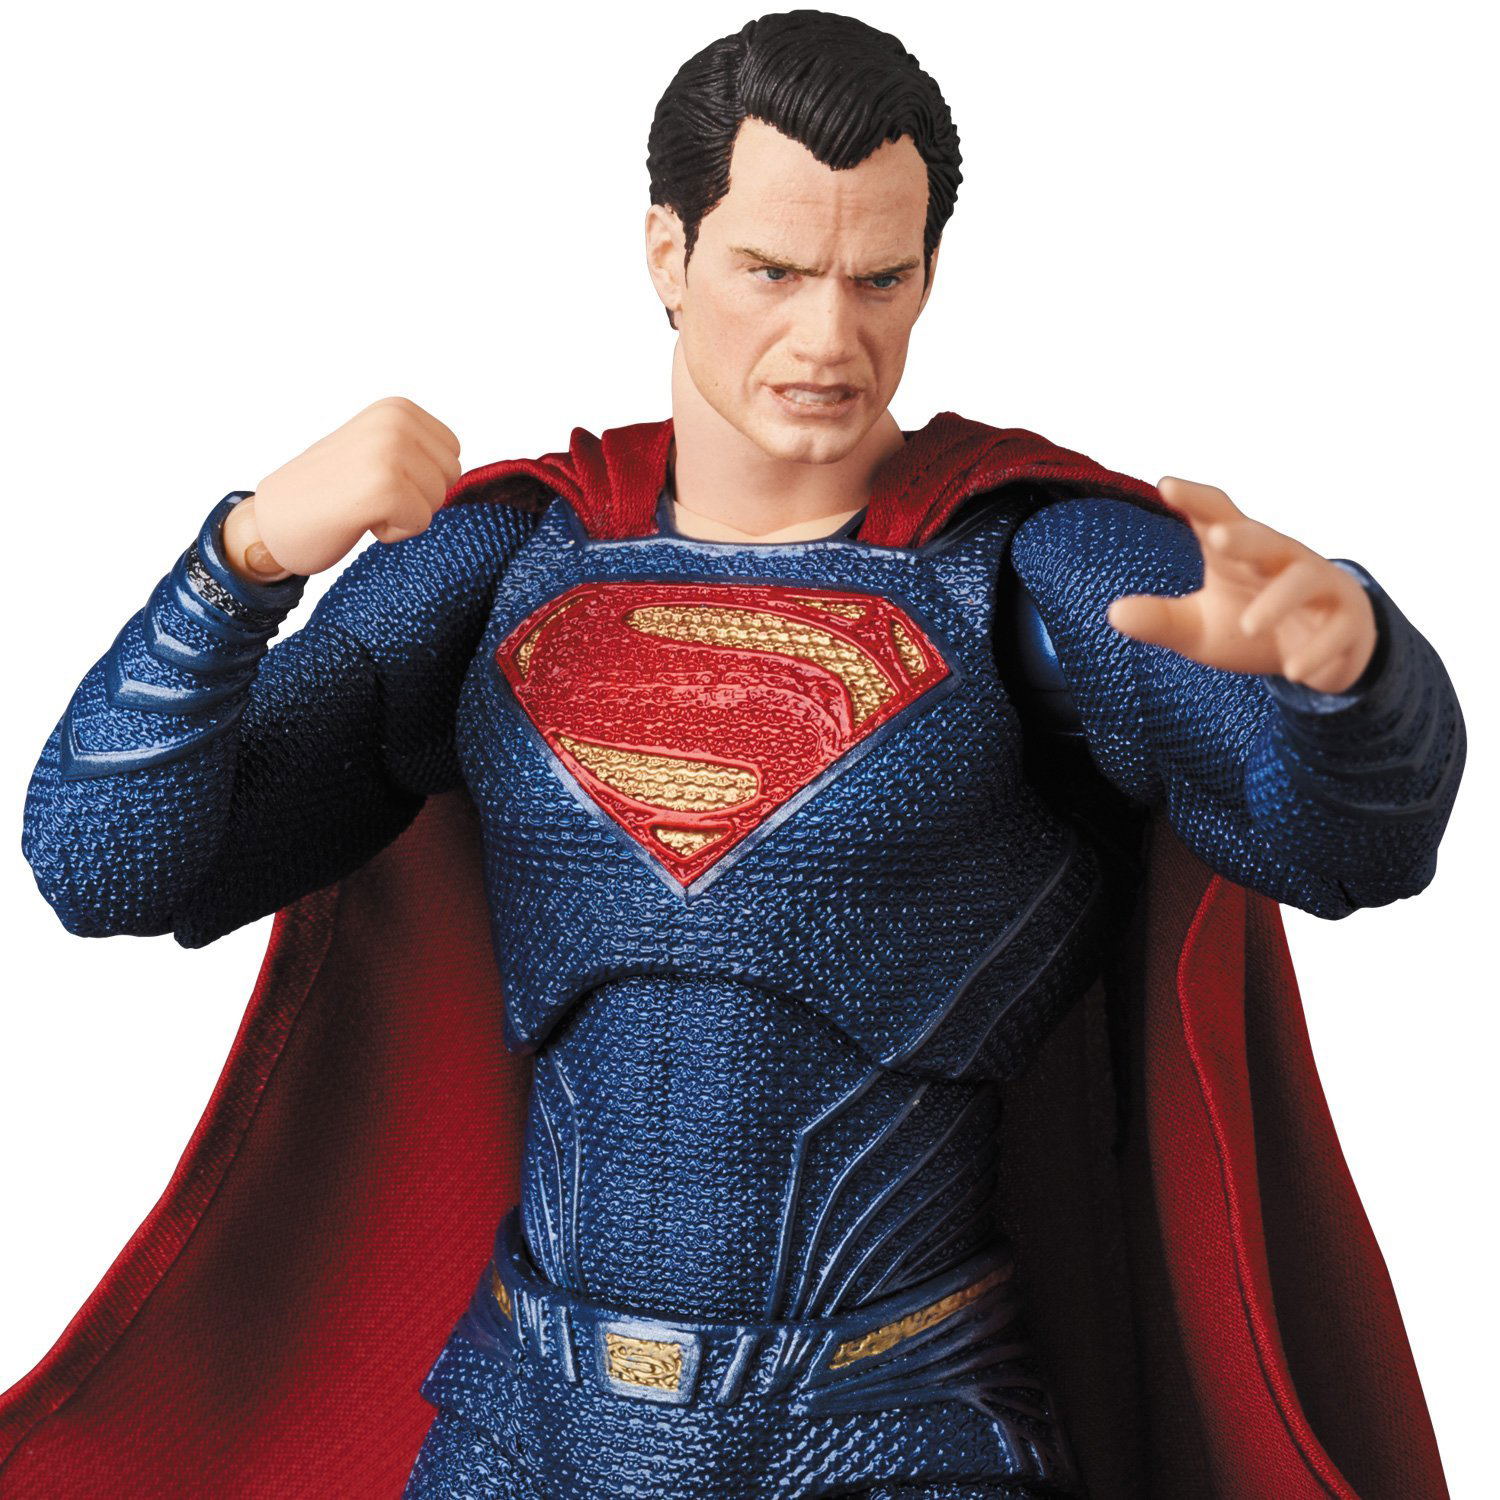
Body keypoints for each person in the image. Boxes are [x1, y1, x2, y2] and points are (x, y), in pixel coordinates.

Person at [1, 11, 1464, 1498]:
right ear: (668, 252)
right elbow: (101, 861)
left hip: (889, 1430)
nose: (827, 340)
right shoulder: (505, 564)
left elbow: (1347, 848)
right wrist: (241, 561)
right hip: (529, 1421)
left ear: (928, 271)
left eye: (878, 278)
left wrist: (1355, 680)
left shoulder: (1032, 566)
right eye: (772, 270)